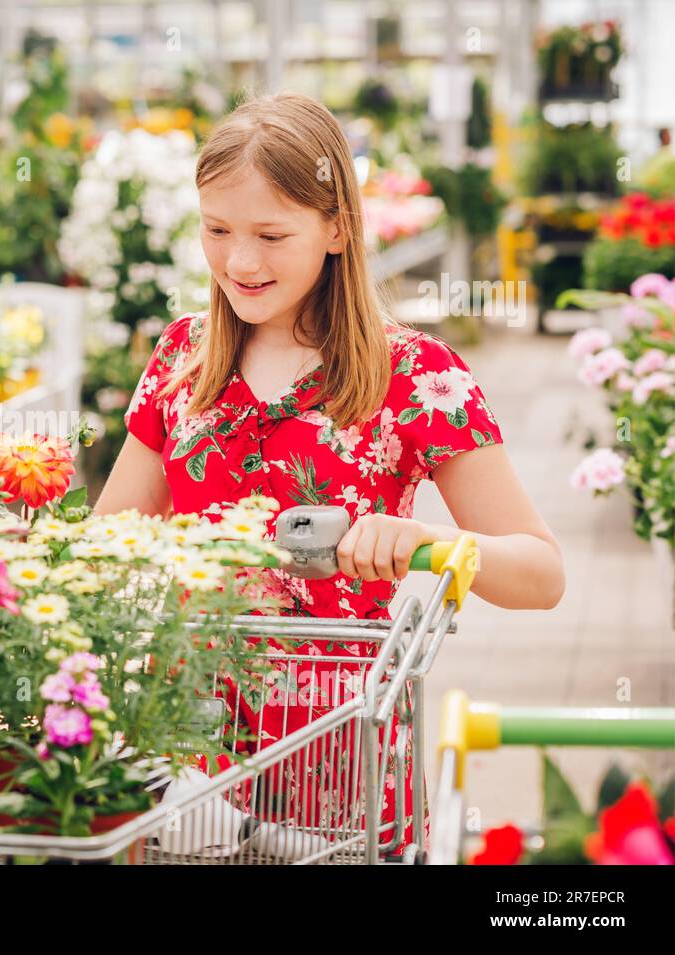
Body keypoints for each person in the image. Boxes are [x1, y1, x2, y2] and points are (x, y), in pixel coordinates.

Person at [94, 92, 565, 856]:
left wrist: (426, 542)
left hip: (342, 760)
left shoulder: (414, 376)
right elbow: (109, 549)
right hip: (185, 760)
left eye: (272, 235)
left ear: (338, 227)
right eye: (217, 230)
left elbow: (541, 574)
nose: (239, 262)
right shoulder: (183, 361)